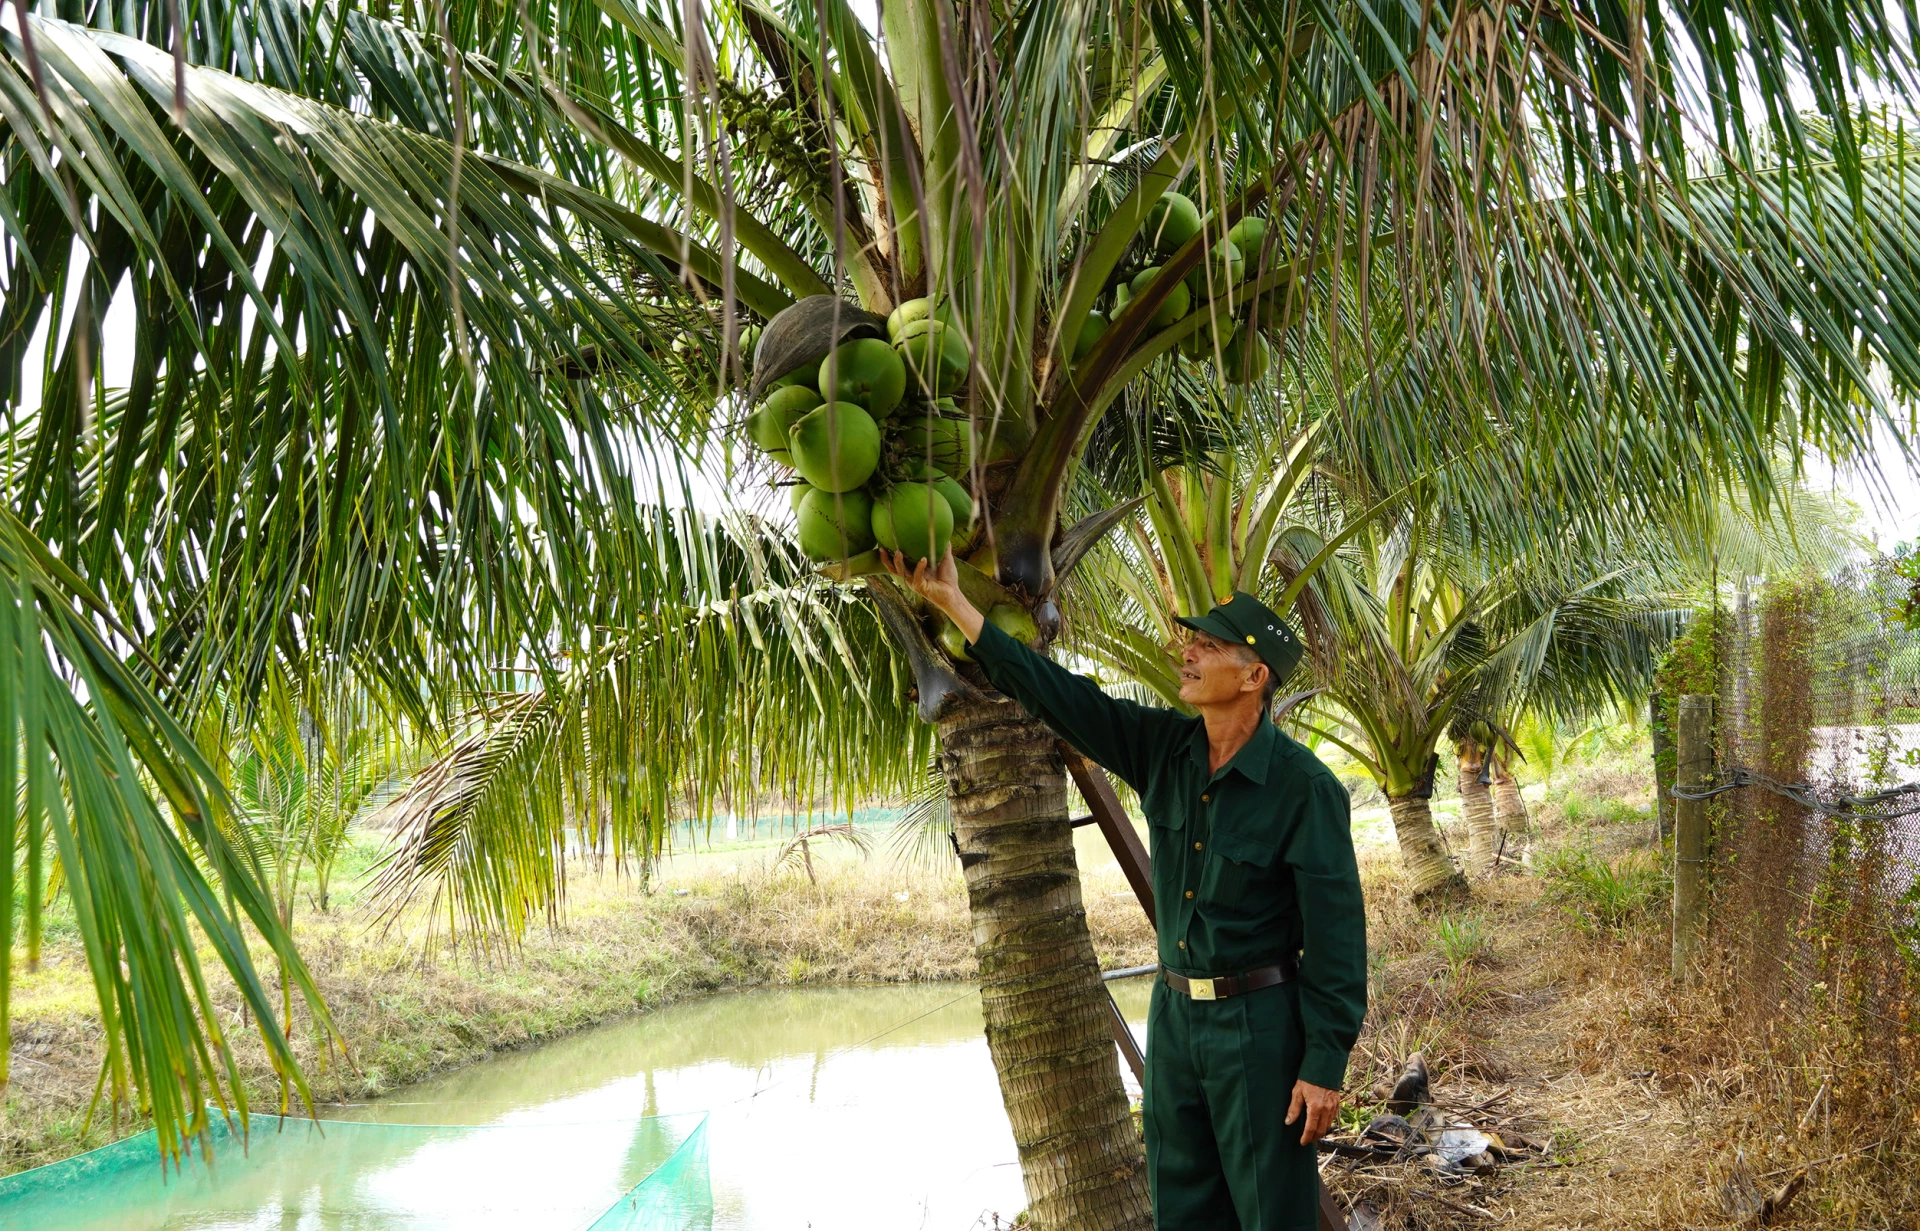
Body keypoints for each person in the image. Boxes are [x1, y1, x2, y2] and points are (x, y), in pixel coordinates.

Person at [883, 547, 1367, 1231]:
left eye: (1209, 645)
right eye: (1191, 639)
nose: (1189, 653)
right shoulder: (1162, 748)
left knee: (1271, 1213)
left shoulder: (1304, 789)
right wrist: (956, 604)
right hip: (1175, 1017)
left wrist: (1324, 1062)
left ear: (1254, 675)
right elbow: (1060, 695)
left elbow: (1338, 942)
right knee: (1183, 1205)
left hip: (1260, 1028)